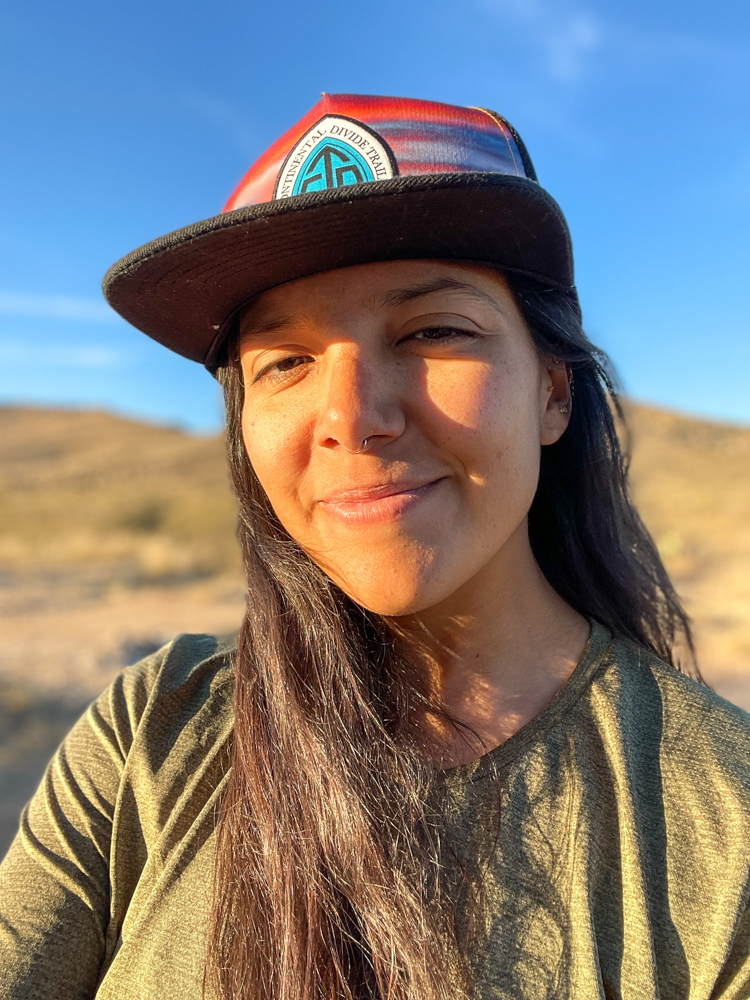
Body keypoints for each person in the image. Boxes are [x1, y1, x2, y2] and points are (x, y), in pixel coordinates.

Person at [1, 93, 749, 1000]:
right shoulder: (151, 734)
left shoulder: (724, 827)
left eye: (433, 330)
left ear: (554, 393)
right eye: (285, 361)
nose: (352, 419)